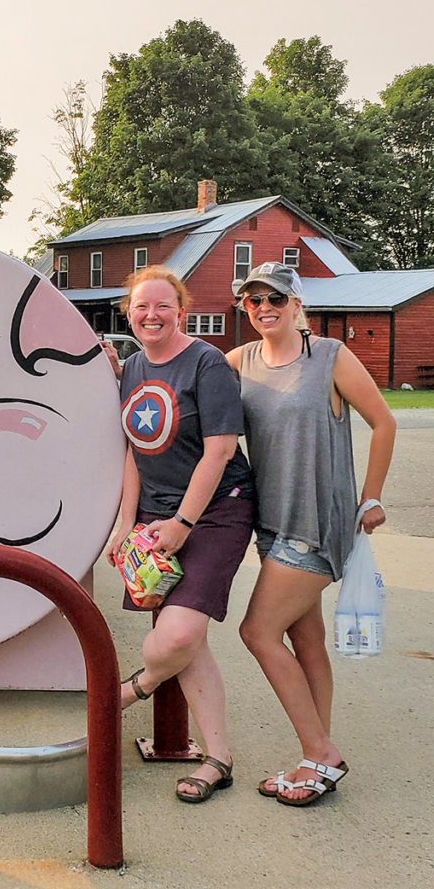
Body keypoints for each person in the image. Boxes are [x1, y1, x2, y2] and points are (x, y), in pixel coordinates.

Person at [228, 262, 395, 807]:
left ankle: (319, 754)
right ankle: (315, 754)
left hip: (317, 523)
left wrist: (370, 495)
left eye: (275, 298)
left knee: (257, 632)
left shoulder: (329, 357)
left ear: (297, 304)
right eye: (253, 301)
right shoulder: (239, 362)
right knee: (306, 641)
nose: (264, 308)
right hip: (270, 524)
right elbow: (183, 384)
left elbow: (383, 422)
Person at [105, 266, 254, 803]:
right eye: (141, 306)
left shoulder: (206, 363)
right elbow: (132, 451)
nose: (151, 315)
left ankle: (129, 690)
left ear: (181, 311)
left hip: (214, 513)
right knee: (191, 644)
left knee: (175, 638)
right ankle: (219, 758)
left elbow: (220, 449)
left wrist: (183, 523)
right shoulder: (132, 368)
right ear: (129, 312)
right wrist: (127, 527)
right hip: (153, 520)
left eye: (163, 306)